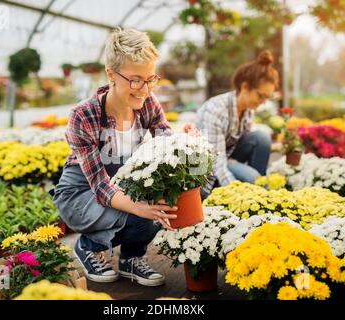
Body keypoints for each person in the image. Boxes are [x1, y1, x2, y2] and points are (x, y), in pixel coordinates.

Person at [53, 28, 196, 287]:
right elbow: (99, 186)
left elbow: (166, 142)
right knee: (143, 212)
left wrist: (184, 143)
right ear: (111, 75)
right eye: (135, 80)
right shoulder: (84, 115)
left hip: (120, 185)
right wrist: (141, 206)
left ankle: (131, 258)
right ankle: (88, 245)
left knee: (162, 204)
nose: (144, 89)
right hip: (81, 194)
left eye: (150, 79)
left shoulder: (148, 103)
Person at [196, 50, 279, 199]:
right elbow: (215, 161)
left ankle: (258, 194)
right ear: (245, 87)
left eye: (267, 98)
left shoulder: (247, 110)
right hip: (206, 166)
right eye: (261, 96)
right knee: (252, 177)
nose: (263, 102)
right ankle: (252, 193)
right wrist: (237, 194)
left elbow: (246, 145)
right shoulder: (217, 110)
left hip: (227, 157)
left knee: (262, 139)